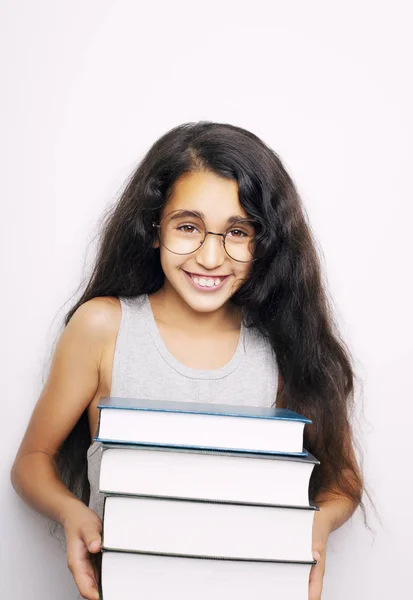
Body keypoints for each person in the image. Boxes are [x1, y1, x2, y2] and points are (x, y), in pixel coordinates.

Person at [10, 121, 367, 600]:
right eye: (188, 227)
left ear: (265, 243)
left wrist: (316, 529)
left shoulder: (285, 342)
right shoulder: (103, 328)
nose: (211, 257)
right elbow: (31, 462)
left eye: (237, 232)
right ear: (154, 229)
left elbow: (342, 480)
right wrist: (72, 514)